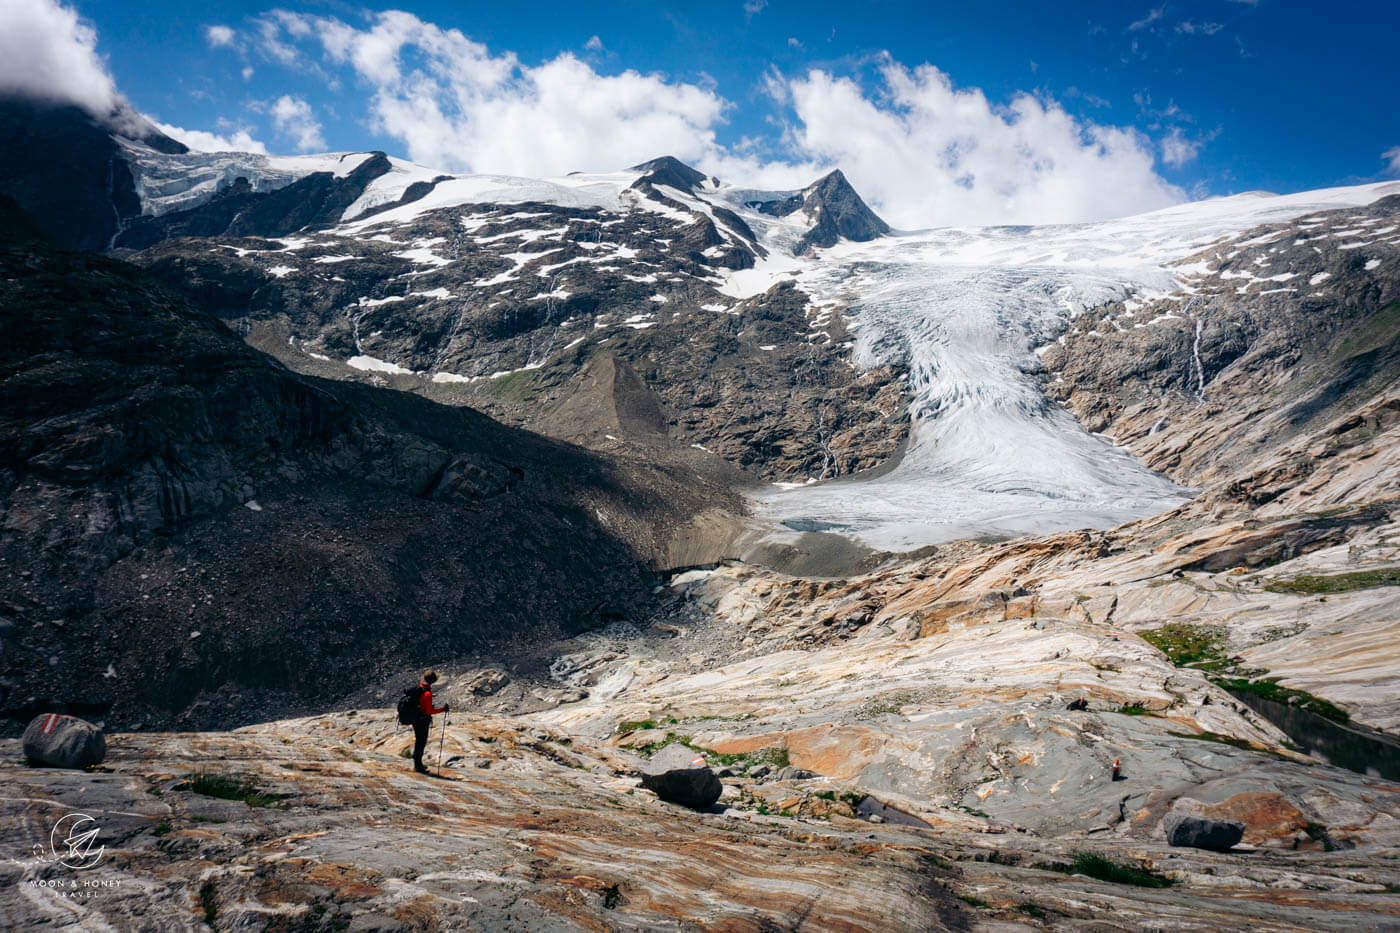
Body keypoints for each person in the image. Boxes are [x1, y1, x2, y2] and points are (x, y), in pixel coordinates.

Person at [412, 670, 449, 775]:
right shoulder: (427, 694)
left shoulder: (419, 689)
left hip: (416, 719)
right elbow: (429, 711)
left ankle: (418, 764)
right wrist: (442, 709)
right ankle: (418, 766)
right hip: (423, 721)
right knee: (421, 742)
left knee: (419, 741)